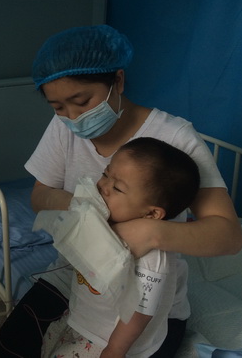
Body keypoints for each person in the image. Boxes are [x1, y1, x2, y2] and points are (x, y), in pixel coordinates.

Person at [0, 25, 242, 357]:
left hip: (146, 308)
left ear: (117, 81)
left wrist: (149, 233)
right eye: (58, 107)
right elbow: (40, 194)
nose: (72, 117)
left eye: (82, 101)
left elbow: (229, 236)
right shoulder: (63, 128)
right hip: (73, 279)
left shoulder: (175, 138)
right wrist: (80, 208)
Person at [39, 137, 200, 358]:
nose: (103, 186)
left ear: (151, 213)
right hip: (81, 319)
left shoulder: (151, 257)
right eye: (105, 174)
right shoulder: (101, 220)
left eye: (117, 188)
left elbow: (139, 312)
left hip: (109, 340)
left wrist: (115, 349)